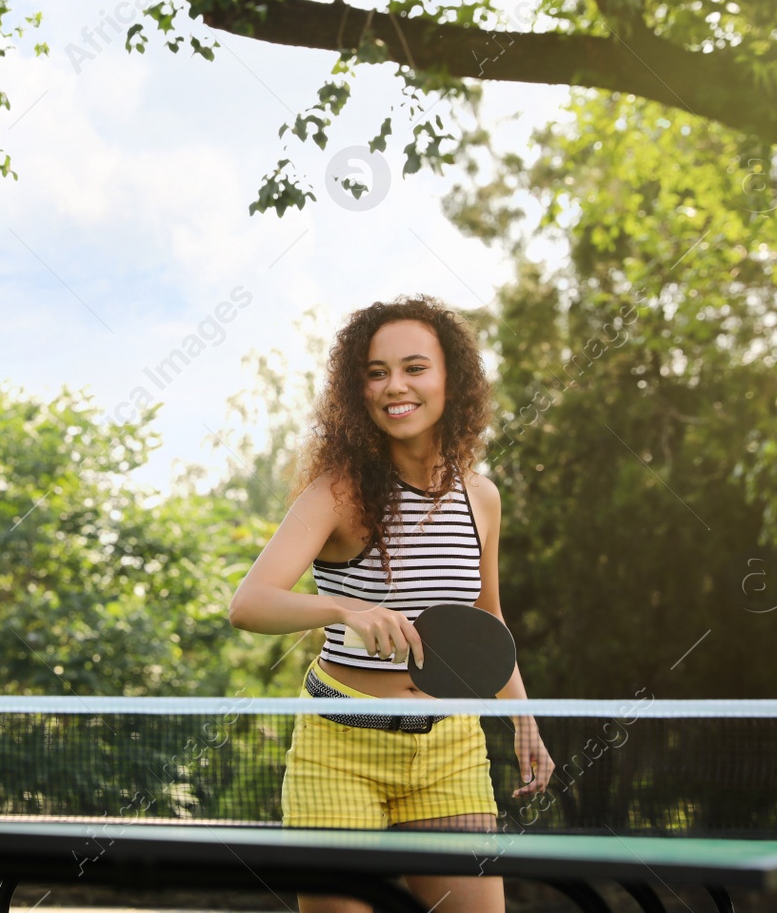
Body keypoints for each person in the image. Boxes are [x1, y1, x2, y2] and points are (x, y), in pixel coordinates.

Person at [229, 294, 554, 913]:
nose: (393, 387)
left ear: (451, 381)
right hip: (340, 752)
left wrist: (524, 718)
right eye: (376, 373)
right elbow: (250, 604)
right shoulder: (339, 493)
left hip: (451, 748)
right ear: (358, 391)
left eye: (414, 368)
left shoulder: (481, 497)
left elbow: (488, 622)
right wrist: (344, 612)